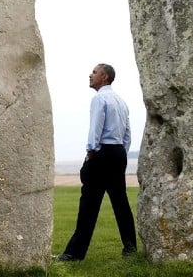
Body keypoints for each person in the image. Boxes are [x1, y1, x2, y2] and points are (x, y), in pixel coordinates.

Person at [56, 63, 137, 261]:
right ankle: (130, 248)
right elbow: (127, 134)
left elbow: (95, 129)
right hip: (118, 153)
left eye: (94, 72)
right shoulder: (121, 101)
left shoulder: (99, 98)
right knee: (121, 203)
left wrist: (91, 152)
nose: (90, 75)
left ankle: (73, 253)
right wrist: (120, 154)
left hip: (101, 153)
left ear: (105, 77)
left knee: (89, 204)